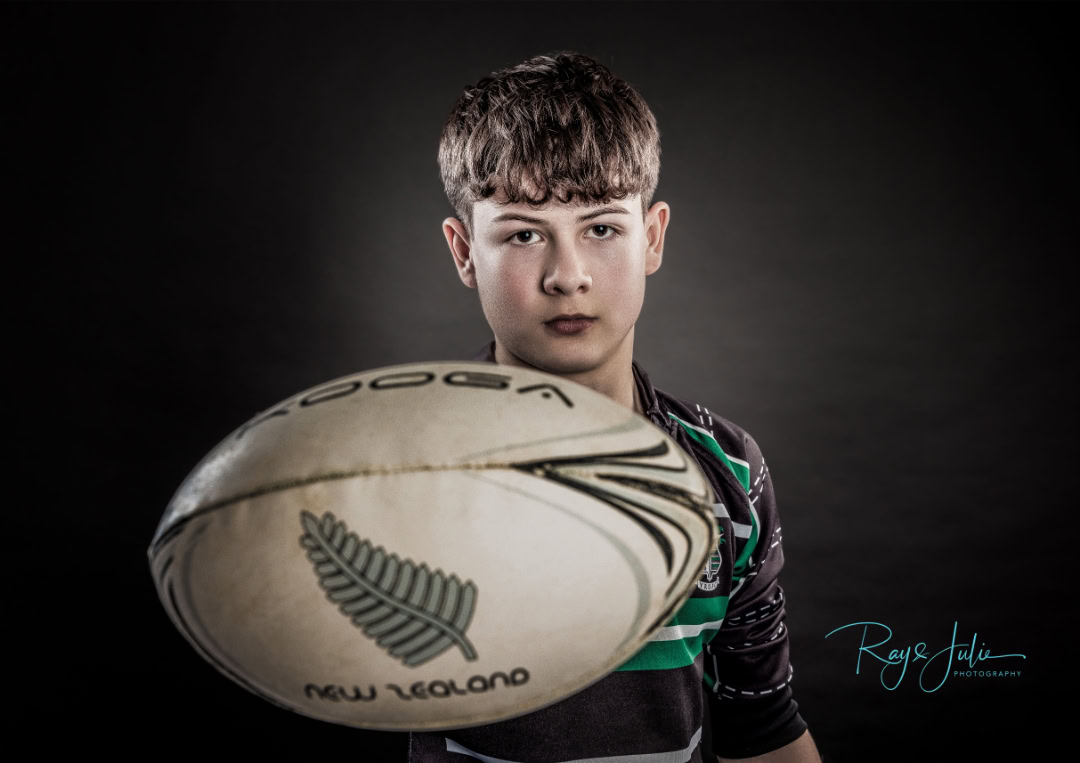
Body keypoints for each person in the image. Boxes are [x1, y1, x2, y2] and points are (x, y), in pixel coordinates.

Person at [409, 51, 822, 763]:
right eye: (522, 233)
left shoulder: (730, 474)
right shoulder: (396, 472)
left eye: (601, 228)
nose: (567, 275)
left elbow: (765, 729)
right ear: (464, 251)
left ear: (652, 236)